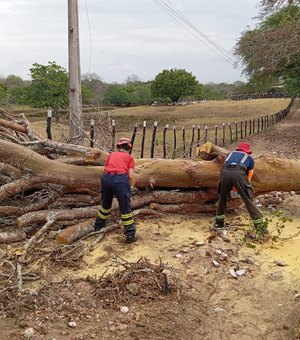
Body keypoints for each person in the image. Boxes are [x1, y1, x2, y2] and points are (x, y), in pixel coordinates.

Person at [94, 137, 137, 243]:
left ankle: (98, 227)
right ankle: (130, 235)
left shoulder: (111, 154)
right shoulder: (129, 158)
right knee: (125, 208)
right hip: (120, 180)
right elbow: (130, 176)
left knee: (105, 205)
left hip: (106, 179)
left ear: (118, 147)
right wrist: (132, 185)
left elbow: (108, 167)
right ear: (129, 148)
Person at [214, 141, 264, 230]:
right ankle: (260, 227)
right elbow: (249, 176)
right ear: (247, 151)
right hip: (238, 173)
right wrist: (241, 187)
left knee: (222, 197)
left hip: (224, 173)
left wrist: (232, 185)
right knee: (248, 198)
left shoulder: (230, 154)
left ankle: (219, 223)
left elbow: (225, 168)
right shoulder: (249, 159)